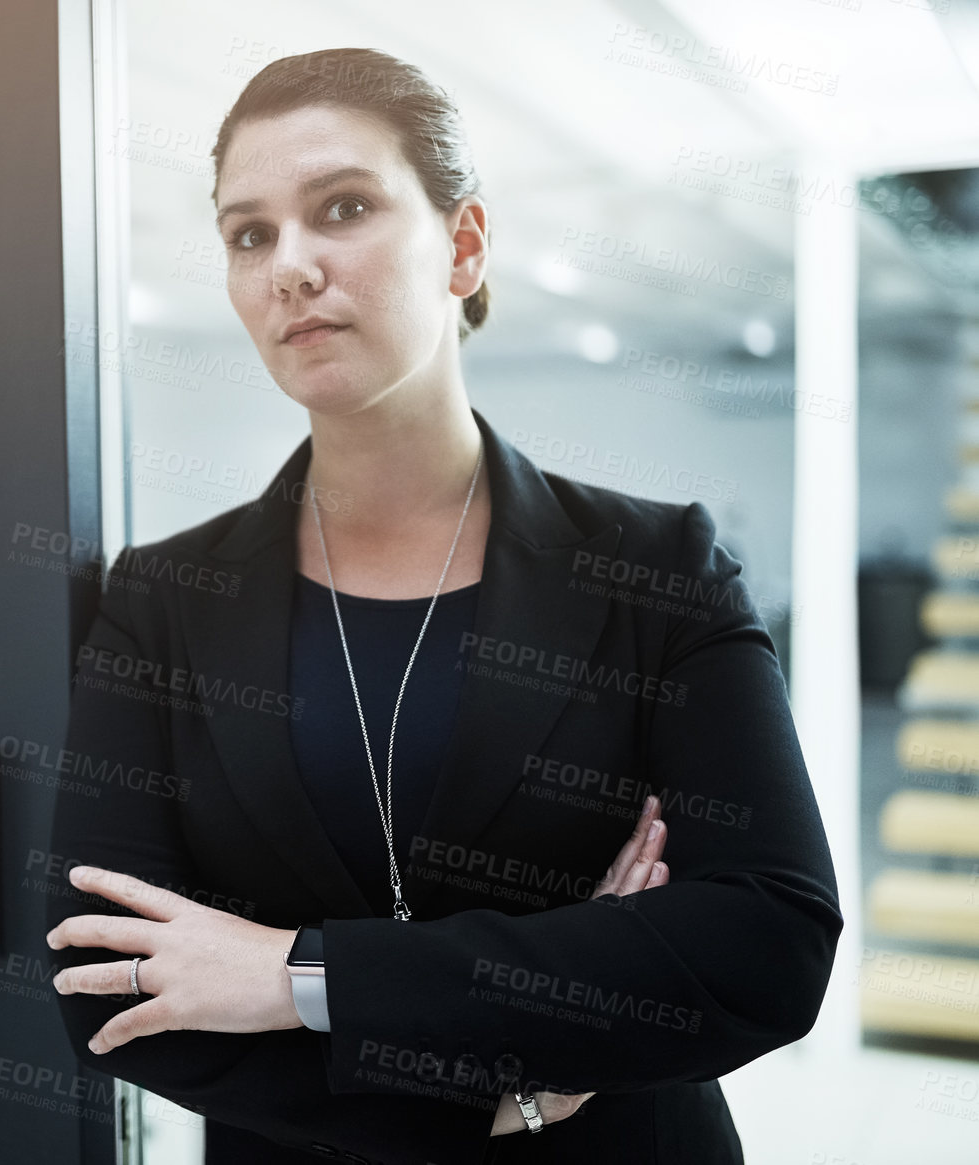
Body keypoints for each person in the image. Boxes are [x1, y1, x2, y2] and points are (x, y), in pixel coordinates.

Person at [43, 48, 840, 1165]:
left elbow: (769, 943)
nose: (291, 265)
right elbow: (102, 984)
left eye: (344, 208)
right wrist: (521, 1082)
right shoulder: (167, 600)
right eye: (249, 233)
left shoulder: (656, 569)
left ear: (463, 246)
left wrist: (294, 977)